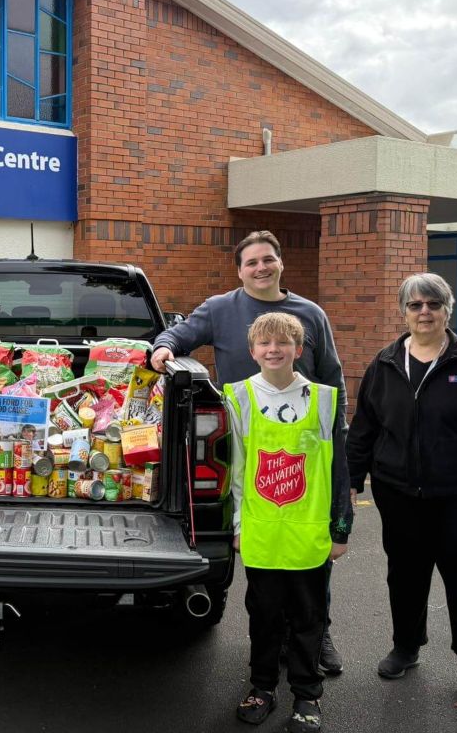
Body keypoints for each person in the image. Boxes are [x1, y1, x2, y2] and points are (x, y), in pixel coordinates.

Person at [150, 230, 348, 674]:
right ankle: (271, 640)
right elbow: (178, 335)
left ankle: (318, 635)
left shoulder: (310, 314)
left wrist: (340, 440)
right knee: (257, 551)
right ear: (239, 271)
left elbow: (333, 380)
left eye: (268, 259)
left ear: (280, 263)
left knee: (309, 549)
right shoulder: (221, 308)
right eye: (251, 262)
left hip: (302, 451)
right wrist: (163, 348)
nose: (261, 267)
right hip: (244, 452)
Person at [346, 272, 457, 704]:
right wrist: (350, 482)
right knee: (405, 575)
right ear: (403, 312)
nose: (425, 312)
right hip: (398, 493)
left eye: (433, 304)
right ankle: (406, 647)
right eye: (416, 305)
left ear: (447, 310)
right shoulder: (384, 363)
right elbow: (363, 429)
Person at [224, 313, 351, 733]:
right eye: (264, 343)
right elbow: (237, 470)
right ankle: (262, 686)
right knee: (263, 615)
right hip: (261, 530)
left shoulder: (324, 398)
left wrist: (340, 528)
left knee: (309, 617)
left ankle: (306, 694)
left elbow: (338, 469)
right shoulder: (239, 396)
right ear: (252, 350)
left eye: (283, 343)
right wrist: (238, 525)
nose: (273, 350)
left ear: (299, 350)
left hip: (309, 531)